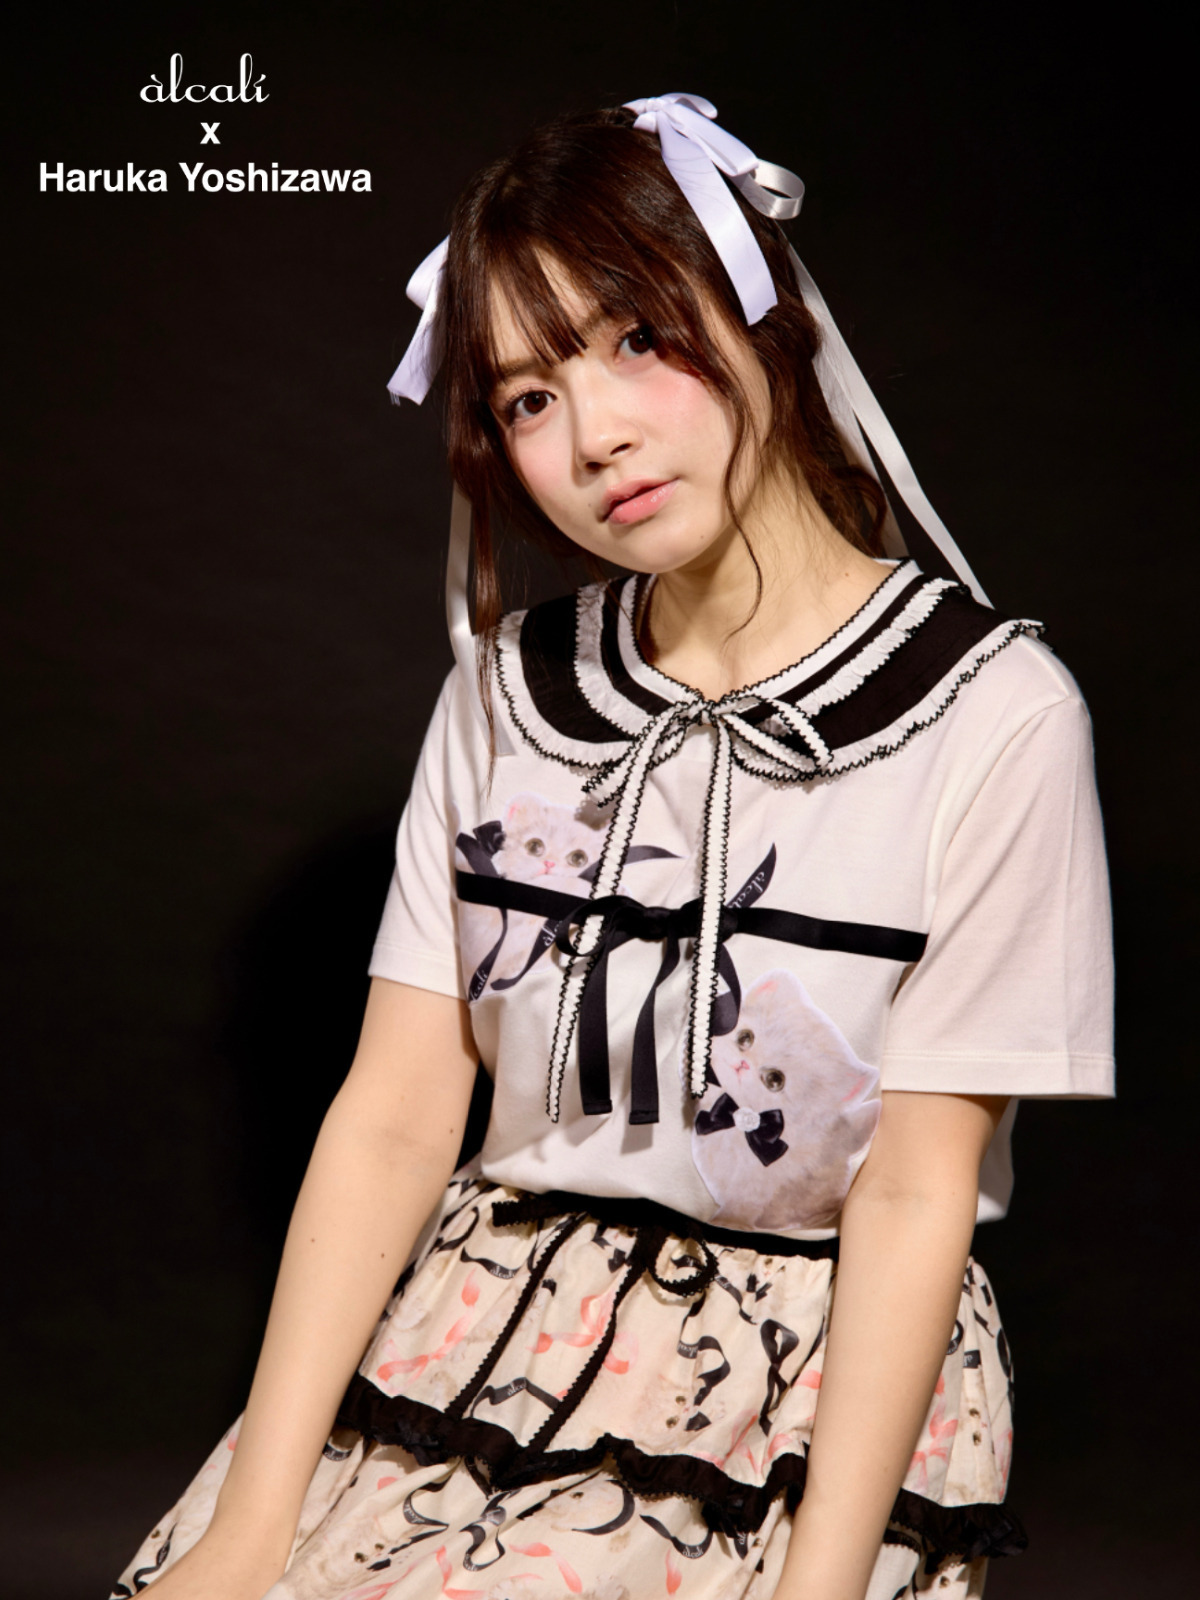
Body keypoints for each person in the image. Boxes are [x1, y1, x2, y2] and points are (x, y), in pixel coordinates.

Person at [112, 96, 1114, 1600]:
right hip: (465, 1337)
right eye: (526, 398)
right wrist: (252, 1530)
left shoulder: (993, 716)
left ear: (762, 314)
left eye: (638, 339)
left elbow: (915, 1191)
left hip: (803, 1385)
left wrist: (818, 1587)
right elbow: (395, 1114)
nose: (596, 437)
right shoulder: (508, 694)